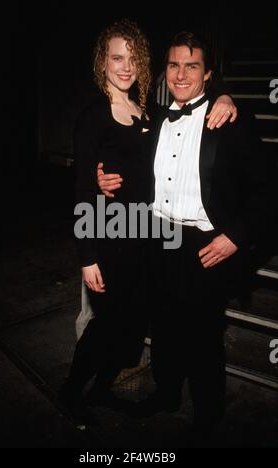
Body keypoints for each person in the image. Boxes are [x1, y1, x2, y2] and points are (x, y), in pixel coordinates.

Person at [60, 21, 237, 430]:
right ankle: (71, 391)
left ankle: (102, 387)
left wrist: (224, 92)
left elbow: (198, 87)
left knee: (129, 328)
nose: (125, 67)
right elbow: (82, 189)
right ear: (101, 62)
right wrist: (86, 257)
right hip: (110, 237)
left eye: (132, 58)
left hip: (148, 239)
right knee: (106, 326)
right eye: (115, 57)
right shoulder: (93, 116)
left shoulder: (147, 112)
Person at [97, 31, 274, 432]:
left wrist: (234, 237)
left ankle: (208, 415)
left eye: (191, 66)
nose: (180, 75)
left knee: (204, 337)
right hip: (157, 238)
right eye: (174, 65)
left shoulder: (228, 120)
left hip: (203, 244)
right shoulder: (155, 117)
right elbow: (127, 161)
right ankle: (165, 393)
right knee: (163, 328)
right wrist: (101, 176)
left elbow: (268, 190)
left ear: (207, 74)